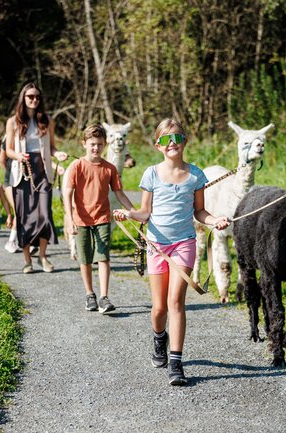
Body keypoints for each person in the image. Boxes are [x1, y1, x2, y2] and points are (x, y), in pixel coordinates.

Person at [113, 118, 229, 386]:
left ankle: (176, 363)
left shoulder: (196, 175)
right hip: (157, 246)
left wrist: (215, 220)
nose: (172, 143)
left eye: (177, 138)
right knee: (158, 308)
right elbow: (144, 213)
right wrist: (128, 213)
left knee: (176, 302)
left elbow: (199, 211)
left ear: (185, 142)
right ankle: (158, 338)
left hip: (184, 244)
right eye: (166, 139)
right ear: (158, 145)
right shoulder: (151, 174)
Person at [64, 124, 135, 314]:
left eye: (100, 144)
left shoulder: (109, 168)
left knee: (103, 257)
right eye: (92, 144)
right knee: (85, 259)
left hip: (102, 218)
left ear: (105, 145)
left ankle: (104, 296)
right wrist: (70, 220)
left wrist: (134, 211)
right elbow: (67, 194)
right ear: (84, 144)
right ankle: (90, 295)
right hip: (81, 219)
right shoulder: (77, 166)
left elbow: (119, 194)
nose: (96, 148)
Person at [5, 82, 68, 273]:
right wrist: (18, 156)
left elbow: (52, 147)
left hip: (43, 172)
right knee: (25, 217)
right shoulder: (13, 122)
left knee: (44, 215)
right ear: (23, 98)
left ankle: (42, 256)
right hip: (22, 173)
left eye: (37, 97)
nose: (34, 100)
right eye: (30, 96)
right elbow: (8, 149)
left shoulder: (46, 120)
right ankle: (27, 261)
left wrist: (58, 155)